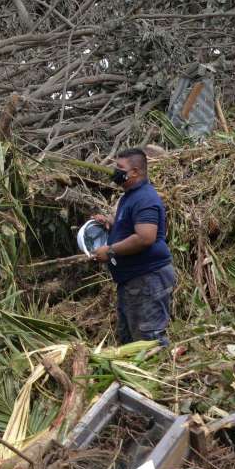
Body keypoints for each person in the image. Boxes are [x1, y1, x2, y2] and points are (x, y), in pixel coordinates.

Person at [89, 147, 176, 347]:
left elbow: (145, 237)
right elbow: (133, 225)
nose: (115, 171)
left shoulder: (144, 198)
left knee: (149, 342)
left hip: (147, 279)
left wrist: (110, 251)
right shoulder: (130, 195)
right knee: (130, 343)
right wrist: (111, 222)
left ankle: (156, 377)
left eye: (120, 167)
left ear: (135, 172)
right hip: (134, 281)